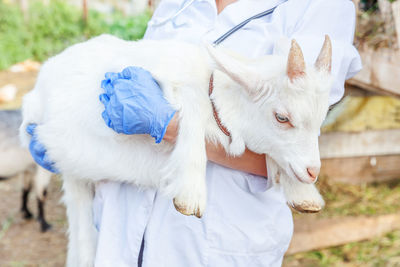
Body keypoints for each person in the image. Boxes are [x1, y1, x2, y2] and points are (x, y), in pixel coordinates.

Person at [27, 0, 362, 266]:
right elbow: (140, 92)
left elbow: (295, 154)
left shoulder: (319, 7)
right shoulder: (177, 4)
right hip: (123, 226)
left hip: (212, 242)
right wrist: (77, 143)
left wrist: (173, 126)